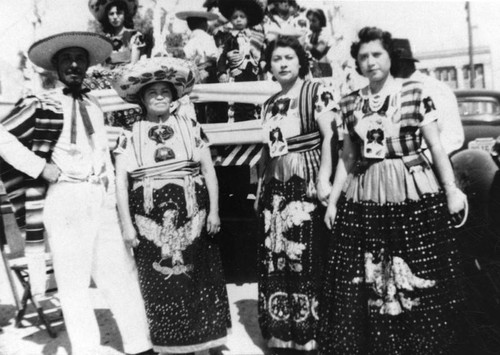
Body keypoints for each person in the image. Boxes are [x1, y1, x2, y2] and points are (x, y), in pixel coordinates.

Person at [0, 31, 155, 355]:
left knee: (120, 273)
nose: (74, 64)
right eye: (66, 59)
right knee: (73, 283)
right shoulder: (41, 102)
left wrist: (113, 200)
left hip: (99, 196)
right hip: (66, 198)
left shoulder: (94, 102)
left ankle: (140, 346)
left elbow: (102, 155)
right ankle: (86, 349)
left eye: (79, 58)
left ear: (87, 64)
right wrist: (39, 167)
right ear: (55, 66)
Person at [319, 27, 468, 354]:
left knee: (414, 262)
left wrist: (452, 190)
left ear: (390, 58)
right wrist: (332, 201)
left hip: (410, 184)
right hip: (365, 188)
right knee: (370, 267)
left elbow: (436, 146)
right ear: (356, 63)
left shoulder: (415, 93)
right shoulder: (349, 103)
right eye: (363, 57)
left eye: (376, 55)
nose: (370, 62)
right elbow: (347, 156)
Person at [110, 57, 231, 355]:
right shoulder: (129, 133)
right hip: (147, 217)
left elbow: (209, 171)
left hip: (194, 213)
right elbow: (121, 183)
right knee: (161, 282)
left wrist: (214, 210)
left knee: (197, 277)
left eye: (165, 90)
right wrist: (126, 224)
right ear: (141, 98)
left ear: (175, 95)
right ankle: (170, 345)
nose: (160, 96)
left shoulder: (190, 126)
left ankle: (203, 342)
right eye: (153, 92)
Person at [254, 35, 340, 354]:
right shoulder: (270, 103)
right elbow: (268, 148)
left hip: (306, 178)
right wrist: (260, 186)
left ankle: (312, 334)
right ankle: (283, 331)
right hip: (276, 184)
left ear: (301, 61)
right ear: (270, 66)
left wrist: (323, 179)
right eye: (277, 59)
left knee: (306, 254)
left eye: (289, 57)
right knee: (277, 255)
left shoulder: (316, 91)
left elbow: (329, 136)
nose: (283, 64)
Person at [391, 38, 464, 155]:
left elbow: (453, 136)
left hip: (430, 165)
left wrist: (426, 161)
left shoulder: (434, 89)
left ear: (402, 64)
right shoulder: (392, 91)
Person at [87, 0, 145, 129]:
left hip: (126, 76)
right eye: (111, 14)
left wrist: (116, 72)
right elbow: (101, 64)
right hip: (107, 78)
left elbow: (133, 64)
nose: (115, 17)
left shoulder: (134, 35)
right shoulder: (104, 38)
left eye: (118, 13)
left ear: (124, 15)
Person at [217, 0, 266, 122]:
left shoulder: (256, 37)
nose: (238, 20)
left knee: (252, 102)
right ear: (230, 20)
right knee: (238, 104)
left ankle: (253, 130)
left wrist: (264, 62)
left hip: (253, 74)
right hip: (238, 75)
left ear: (247, 19)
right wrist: (222, 72)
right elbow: (222, 56)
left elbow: (263, 52)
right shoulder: (230, 38)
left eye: (242, 17)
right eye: (235, 17)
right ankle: (238, 131)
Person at [176, 10, 221, 124]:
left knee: (197, 100)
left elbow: (187, 54)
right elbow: (213, 54)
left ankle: (200, 121)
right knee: (211, 100)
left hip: (195, 72)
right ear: (204, 24)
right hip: (207, 70)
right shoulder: (206, 37)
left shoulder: (190, 39)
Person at [304, 8, 332, 78]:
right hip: (314, 66)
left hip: (324, 66)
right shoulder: (311, 34)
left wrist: (307, 45)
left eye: (314, 21)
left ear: (321, 21)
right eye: (309, 21)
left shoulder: (325, 32)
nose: (310, 23)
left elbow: (319, 49)